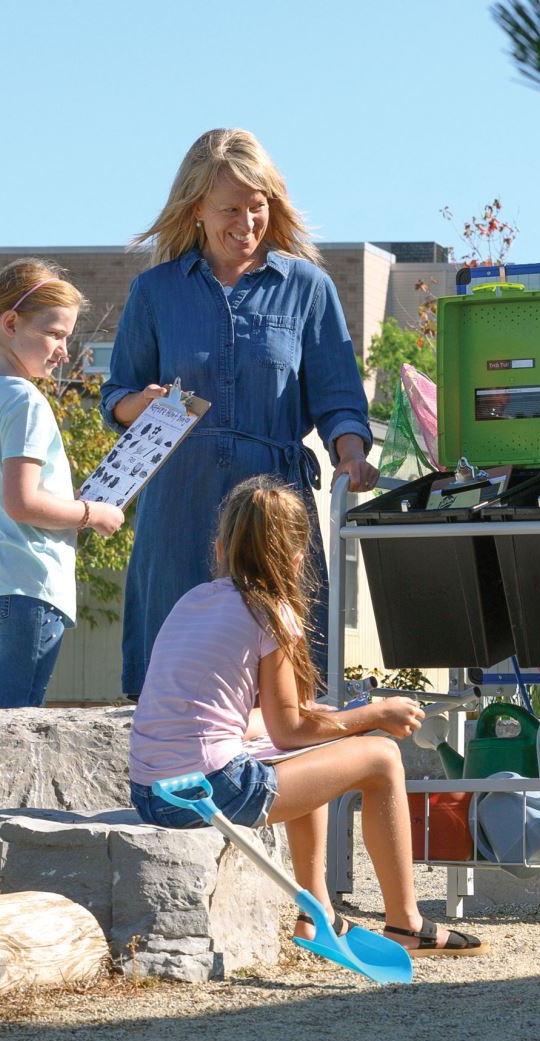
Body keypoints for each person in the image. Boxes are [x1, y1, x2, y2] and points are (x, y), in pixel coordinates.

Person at [128, 475, 488, 957]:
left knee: (317, 744)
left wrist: (327, 722)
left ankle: (316, 912)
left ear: (221, 546)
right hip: (211, 792)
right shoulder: (270, 612)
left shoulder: (192, 602)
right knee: (382, 758)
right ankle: (406, 922)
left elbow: (236, 720)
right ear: (297, 558)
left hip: (152, 794)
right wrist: (375, 714)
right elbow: (291, 731)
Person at [100, 128, 377, 699]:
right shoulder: (154, 292)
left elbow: (339, 399)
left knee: (285, 681)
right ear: (196, 209)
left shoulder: (309, 288)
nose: (247, 223)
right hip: (178, 504)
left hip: (273, 506)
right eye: (230, 208)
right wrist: (138, 404)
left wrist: (350, 455)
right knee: (174, 680)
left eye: (258, 206)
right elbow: (115, 395)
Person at [0, 259, 125, 707]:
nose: (64, 351)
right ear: (10, 324)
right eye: (55, 334)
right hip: (29, 585)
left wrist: (60, 502)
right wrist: (92, 513)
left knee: (1, 718)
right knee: (14, 726)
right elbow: (23, 503)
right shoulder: (26, 402)